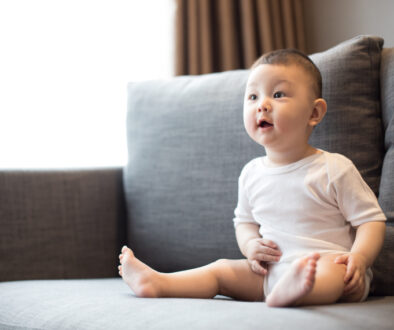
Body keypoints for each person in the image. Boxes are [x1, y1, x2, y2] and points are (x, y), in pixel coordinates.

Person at [118, 49, 387, 307]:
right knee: (222, 270)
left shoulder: (333, 168)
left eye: (278, 94)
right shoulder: (251, 173)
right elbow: (244, 223)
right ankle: (158, 283)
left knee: (330, 271)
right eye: (253, 97)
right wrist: (250, 247)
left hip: (333, 268)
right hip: (269, 273)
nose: (263, 105)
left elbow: (371, 221)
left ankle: (298, 291)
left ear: (314, 113)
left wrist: (359, 258)